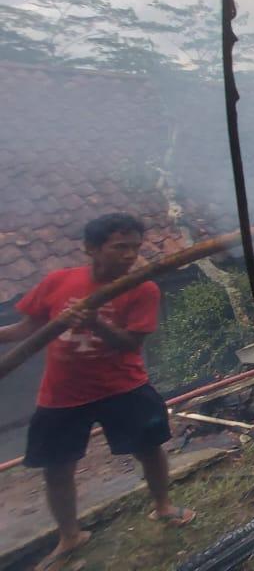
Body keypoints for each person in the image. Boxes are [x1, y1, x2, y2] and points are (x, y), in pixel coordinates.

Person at [0, 213, 194, 571]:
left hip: (123, 386)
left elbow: (129, 344)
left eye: (134, 248)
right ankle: (70, 535)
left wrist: (94, 322)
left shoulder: (143, 288)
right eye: (120, 247)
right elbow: (28, 327)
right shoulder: (58, 281)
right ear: (91, 248)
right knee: (57, 468)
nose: (129, 255)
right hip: (62, 393)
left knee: (150, 449)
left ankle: (163, 506)